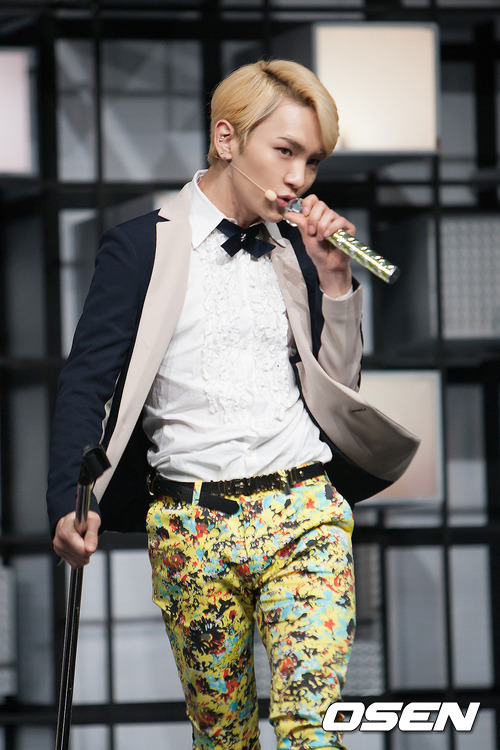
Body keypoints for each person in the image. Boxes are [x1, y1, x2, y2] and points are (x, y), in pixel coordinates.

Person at [47, 59, 418, 750]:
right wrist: (69, 501)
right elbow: (85, 384)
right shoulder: (140, 247)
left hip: (303, 511)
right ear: (227, 139)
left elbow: (337, 388)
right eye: (286, 151)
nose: (300, 177)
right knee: (224, 740)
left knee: (312, 731)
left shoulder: (300, 250)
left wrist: (337, 282)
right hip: (192, 526)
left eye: (313, 160)